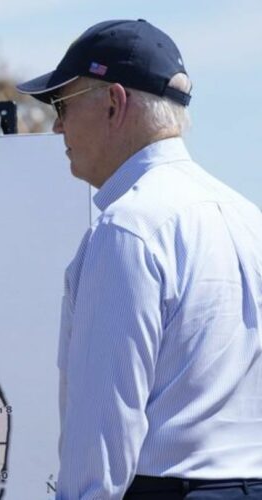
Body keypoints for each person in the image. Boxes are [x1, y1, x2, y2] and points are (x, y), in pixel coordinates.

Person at [17, 19, 262, 499]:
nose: (57, 125)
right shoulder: (247, 216)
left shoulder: (128, 227)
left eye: (63, 104)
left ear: (114, 102)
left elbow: (103, 428)